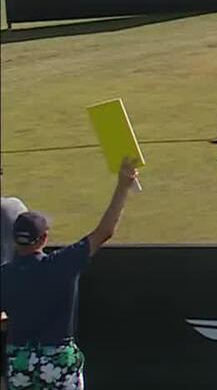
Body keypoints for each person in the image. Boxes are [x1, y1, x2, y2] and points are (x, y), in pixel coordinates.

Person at [0, 158, 140, 390]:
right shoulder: (63, 263)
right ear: (44, 238)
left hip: (20, 362)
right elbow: (105, 231)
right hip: (57, 362)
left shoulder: (5, 275)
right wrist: (123, 186)